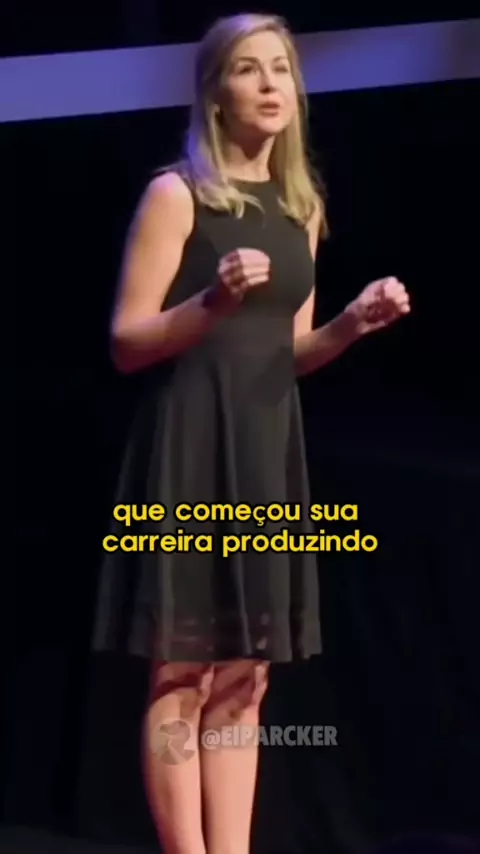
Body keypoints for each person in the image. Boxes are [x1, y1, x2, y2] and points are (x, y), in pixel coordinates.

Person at [93, 12, 410, 854]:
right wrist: (211, 302)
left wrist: (351, 324)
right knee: (182, 671)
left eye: (281, 68)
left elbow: (290, 352)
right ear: (216, 93)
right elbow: (126, 341)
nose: (270, 84)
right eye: (248, 68)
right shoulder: (177, 196)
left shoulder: (300, 208)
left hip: (267, 453)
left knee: (245, 675)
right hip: (189, 448)